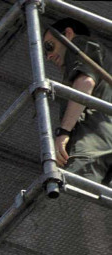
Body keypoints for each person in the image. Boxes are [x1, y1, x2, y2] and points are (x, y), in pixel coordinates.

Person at [44, 18, 112, 186]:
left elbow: (85, 83)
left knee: (75, 196)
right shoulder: (105, 59)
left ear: (67, 34)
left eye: (49, 46)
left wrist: (63, 132)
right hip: (106, 141)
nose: (49, 56)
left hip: (92, 141)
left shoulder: (81, 44)